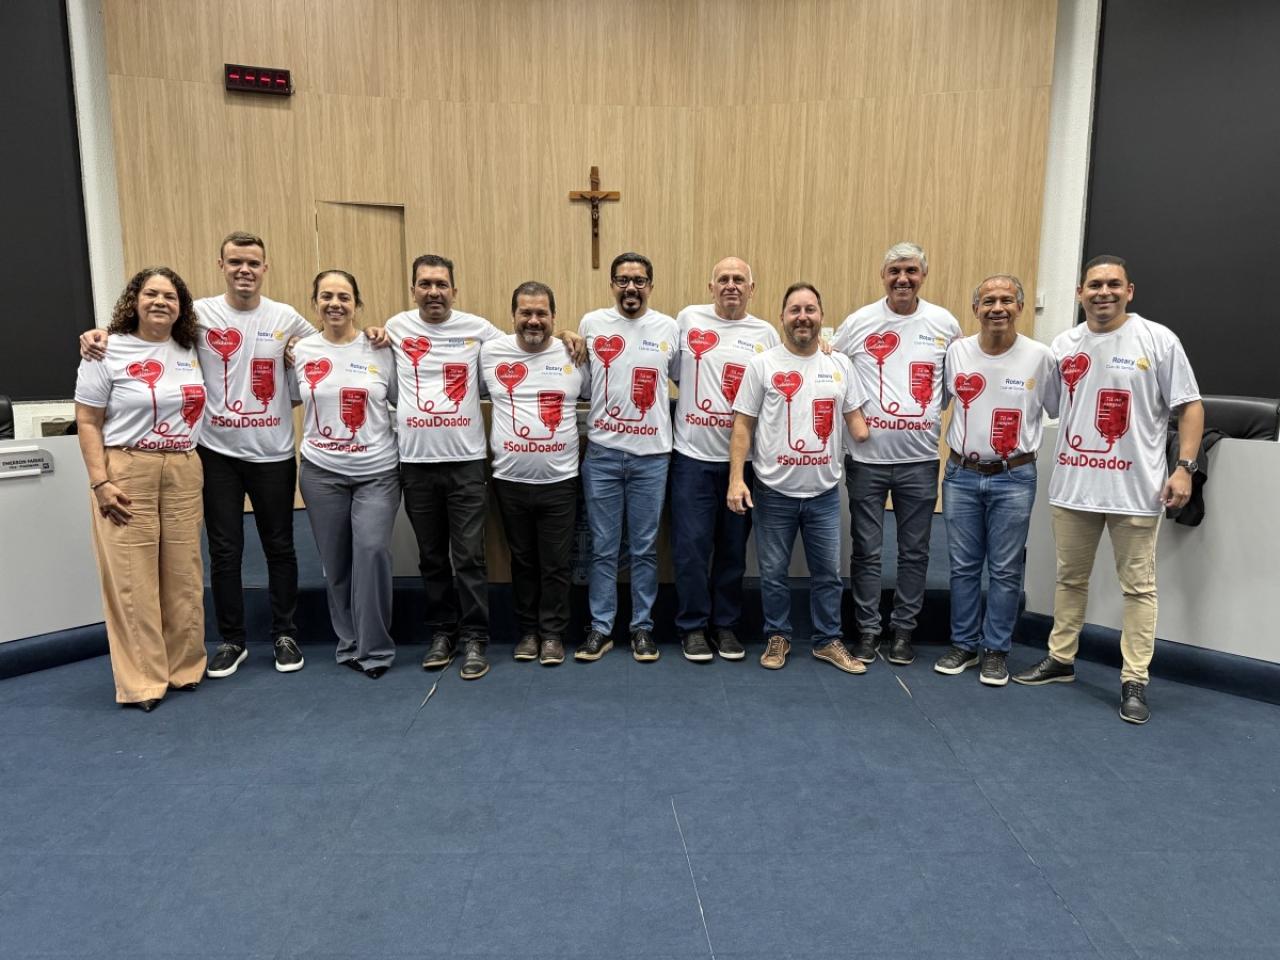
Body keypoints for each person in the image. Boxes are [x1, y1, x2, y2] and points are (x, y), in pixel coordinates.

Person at [81, 232, 319, 678]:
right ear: (221, 265)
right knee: (224, 551)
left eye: (253, 263)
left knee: (280, 547)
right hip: (215, 453)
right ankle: (232, 640)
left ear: (265, 268)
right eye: (236, 262)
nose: (244, 270)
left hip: (272, 453)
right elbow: (148, 336)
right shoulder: (199, 315)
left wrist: (369, 338)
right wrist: (99, 335)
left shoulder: (285, 316)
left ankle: (285, 634)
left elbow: (328, 346)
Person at [1013, 256, 1203, 724]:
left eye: (1113, 284)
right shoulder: (1064, 345)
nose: (1104, 292)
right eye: (1094, 285)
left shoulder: (1157, 340)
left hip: (1135, 490)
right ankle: (1061, 659)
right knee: (1069, 580)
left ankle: (1134, 678)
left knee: (1138, 589)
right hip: (1074, 486)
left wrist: (1184, 468)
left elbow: (1190, 406)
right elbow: (1049, 405)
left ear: (1129, 290)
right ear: (1079, 292)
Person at [382, 255, 584, 680]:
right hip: (419, 463)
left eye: (441, 284)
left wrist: (569, 334)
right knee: (433, 558)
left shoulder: (481, 334)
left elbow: (544, 340)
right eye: (425, 284)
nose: (433, 291)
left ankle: (482, 638)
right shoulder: (396, 328)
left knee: (474, 558)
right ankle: (444, 633)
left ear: (454, 290)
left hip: (473, 464)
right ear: (413, 289)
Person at [74, 268, 208, 711]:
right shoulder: (105, 350)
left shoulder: (191, 349)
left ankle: (185, 667)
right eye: (151, 293)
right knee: (133, 577)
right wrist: (100, 482)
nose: (160, 302)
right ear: (134, 300)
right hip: (127, 468)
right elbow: (87, 421)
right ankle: (143, 681)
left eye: (170, 296)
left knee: (184, 573)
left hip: (184, 467)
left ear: (181, 307)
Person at [727, 283, 871, 672]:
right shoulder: (762, 365)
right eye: (795, 310)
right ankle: (778, 636)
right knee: (773, 574)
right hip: (774, 491)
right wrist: (736, 478)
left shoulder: (840, 365)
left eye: (810, 309)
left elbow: (857, 423)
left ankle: (827, 640)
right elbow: (742, 425)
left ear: (822, 317)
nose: (803, 317)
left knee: (828, 574)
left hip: (824, 492)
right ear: (782, 318)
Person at [833, 241, 961, 666]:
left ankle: (904, 631)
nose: (902, 279)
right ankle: (868, 631)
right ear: (882, 276)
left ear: (923, 275)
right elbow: (833, 370)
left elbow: (949, 387)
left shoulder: (944, 323)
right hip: (866, 460)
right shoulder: (858, 322)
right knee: (867, 550)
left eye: (910, 271)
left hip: (920, 460)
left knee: (915, 551)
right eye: (894, 271)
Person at [933, 275, 1060, 686]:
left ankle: (996, 650)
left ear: (1020, 307)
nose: (997, 308)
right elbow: (939, 401)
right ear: (976, 309)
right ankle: (964, 644)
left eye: (1007, 300)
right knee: (963, 567)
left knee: (1005, 569)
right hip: (961, 475)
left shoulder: (1040, 357)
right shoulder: (957, 352)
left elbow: (1056, 408)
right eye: (988, 301)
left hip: (1014, 477)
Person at [289, 270, 400, 678]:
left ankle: (376, 649)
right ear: (315, 302)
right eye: (327, 296)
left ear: (357, 303)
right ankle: (349, 641)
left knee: (371, 552)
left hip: (377, 472)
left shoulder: (381, 349)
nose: (335, 303)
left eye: (344, 296)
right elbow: (289, 398)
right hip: (321, 472)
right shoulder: (300, 351)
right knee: (335, 562)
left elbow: (402, 400)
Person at [669, 257, 779, 662]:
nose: (731, 285)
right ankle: (693, 627)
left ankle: (726, 626)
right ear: (710, 287)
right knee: (691, 549)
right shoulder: (688, 320)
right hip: (692, 457)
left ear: (752, 288)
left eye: (739, 280)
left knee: (733, 550)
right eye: (723, 279)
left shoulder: (765, 334)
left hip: (743, 463)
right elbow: (675, 373)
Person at [575, 253, 679, 663]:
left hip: (652, 458)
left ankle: (642, 628)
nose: (631, 287)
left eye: (639, 280)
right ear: (612, 285)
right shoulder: (591, 324)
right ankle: (601, 628)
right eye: (622, 280)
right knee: (602, 547)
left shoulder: (669, 327)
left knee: (644, 548)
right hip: (602, 455)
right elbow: (582, 378)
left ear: (650, 285)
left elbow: (684, 378)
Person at [480, 282, 587, 667]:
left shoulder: (573, 354)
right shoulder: (491, 352)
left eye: (542, 313)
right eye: (526, 312)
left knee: (556, 563)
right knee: (523, 561)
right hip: (509, 479)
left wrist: (571, 335)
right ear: (513, 316)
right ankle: (528, 632)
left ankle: (553, 634)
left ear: (554, 317)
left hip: (560, 480)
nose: (534, 320)